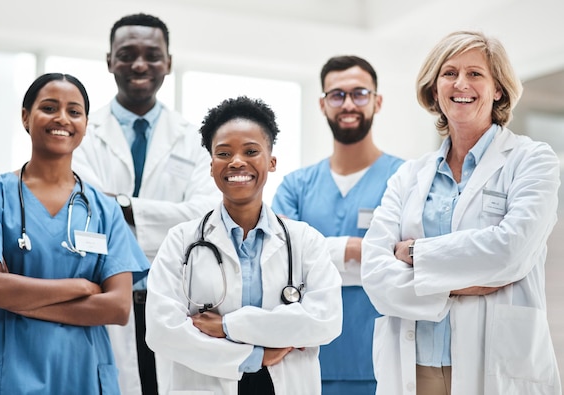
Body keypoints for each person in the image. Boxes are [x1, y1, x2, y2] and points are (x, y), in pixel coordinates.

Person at [361, 30, 562, 395]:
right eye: (449, 73)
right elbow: (376, 276)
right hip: (414, 366)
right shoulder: (408, 176)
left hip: (496, 365)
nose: (460, 84)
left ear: (498, 88)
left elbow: (509, 251)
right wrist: (465, 284)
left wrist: (414, 254)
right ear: (435, 88)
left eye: (475, 73)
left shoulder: (533, 161)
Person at [0, 73, 149, 394]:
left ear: (85, 123)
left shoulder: (104, 210)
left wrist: (21, 300)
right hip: (8, 370)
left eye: (74, 111)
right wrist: (78, 286)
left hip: (82, 371)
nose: (62, 119)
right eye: (49, 107)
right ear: (26, 116)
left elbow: (118, 308)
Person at [145, 96, 343, 395]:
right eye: (224, 153)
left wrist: (227, 326)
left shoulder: (305, 241)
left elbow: (325, 321)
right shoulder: (180, 241)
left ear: (271, 161)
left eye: (251, 151)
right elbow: (162, 331)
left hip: (284, 383)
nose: (237, 161)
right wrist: (254, 355)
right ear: (211, 166)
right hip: (206, 383)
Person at [72, 13, 220, 394]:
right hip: (105, 298)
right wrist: (162, 222)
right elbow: (86, 214)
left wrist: (122, 207)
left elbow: (202, 218)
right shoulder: (83, 134)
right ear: (109, 61)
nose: (140, 64)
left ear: (168, 62)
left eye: (152, 55)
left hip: (173, 298)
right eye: (127, 54)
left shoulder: (193, 139)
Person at [271, 55, 403, 394]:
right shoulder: (295, 185)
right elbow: (278, 263)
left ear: (377, 101)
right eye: (337, 95)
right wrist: (354, 250)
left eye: (359, 93)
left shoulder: (406, 179)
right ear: (322, 104)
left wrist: (314, 258)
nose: (348, 104)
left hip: (383, 362)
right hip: (305, 360)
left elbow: (408, 266)